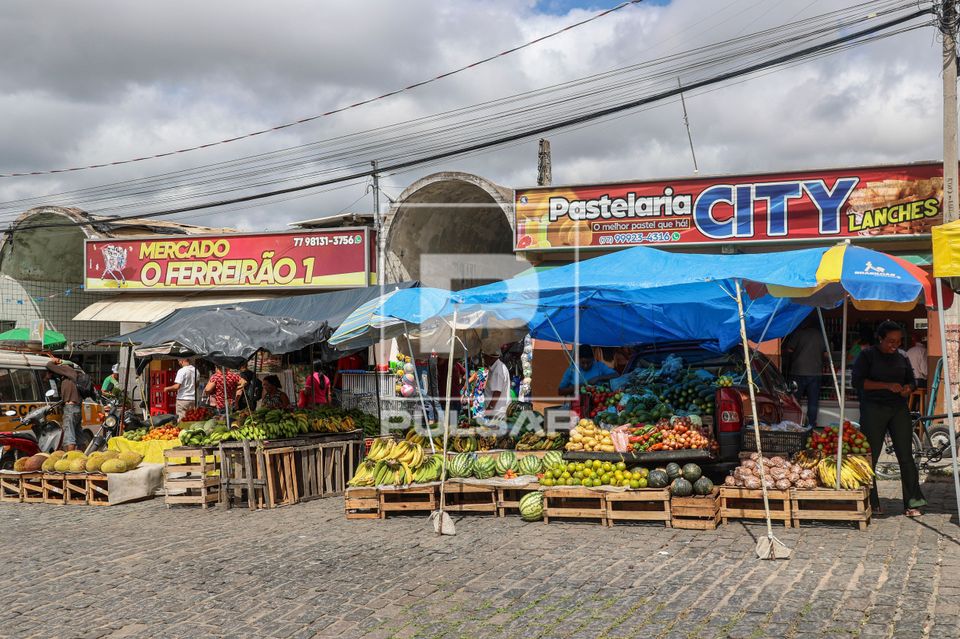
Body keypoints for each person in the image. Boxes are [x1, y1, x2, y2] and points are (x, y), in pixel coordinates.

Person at [852, 320, 926, 517]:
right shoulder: (867, 355)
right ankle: (872, 501)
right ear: (880, 338)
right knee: (871, 456)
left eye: (899, 342)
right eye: (890, 341)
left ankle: (913, 501)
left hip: (898, 409)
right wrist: (886, 385)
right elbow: (858, 382)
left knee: (906, 456)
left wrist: (908, 388)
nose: (895, 345)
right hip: (873, 408)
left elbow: (912, 380)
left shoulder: (902, 356)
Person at [782, 319, 828, 428]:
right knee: (813, 401)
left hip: (798, 371)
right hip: (815, 372)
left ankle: (794, 423)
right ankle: (811, 424)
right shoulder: (821, 336)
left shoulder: (799, 334)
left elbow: (789, 350)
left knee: (795, 399)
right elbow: (826, 354)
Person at [45, 358, 82, 452]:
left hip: (70, 408)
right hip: (77, 407)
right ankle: (81, 458)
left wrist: (55, 361)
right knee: (78, 435)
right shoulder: (72, 376)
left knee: (69, 436)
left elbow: (49, 365)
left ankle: (69, 458)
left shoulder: (68, 369)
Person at [482, 346, 511, 420]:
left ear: (491, 357)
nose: (483, 359)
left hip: (497, 412)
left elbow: (497, 393)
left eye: (485, 357)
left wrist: (489, 410)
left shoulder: (497, 371)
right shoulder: (498, 367)